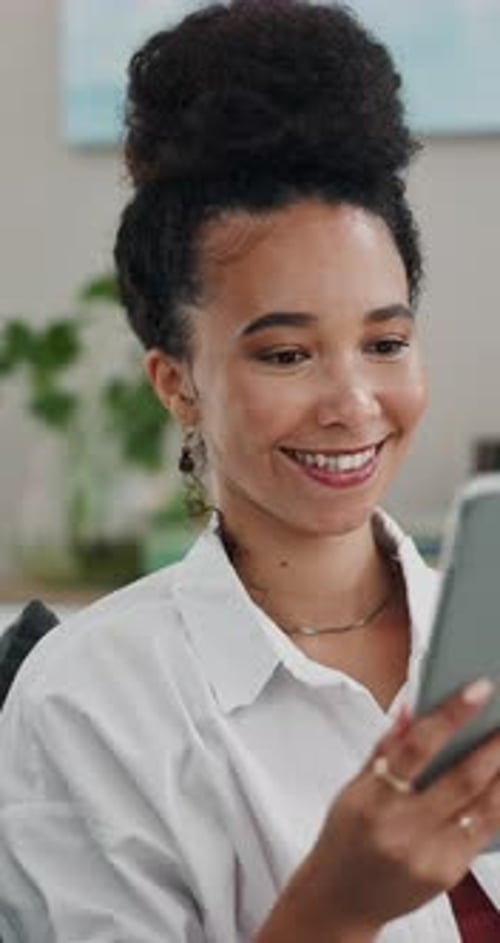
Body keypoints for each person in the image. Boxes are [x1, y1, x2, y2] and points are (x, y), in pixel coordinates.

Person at [1, 2, 500, 940]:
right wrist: (333, 906)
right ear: (177, 381)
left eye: (385, 341)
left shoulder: (483, 636)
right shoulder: (89, 703)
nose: (353, 401)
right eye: (284, 354)